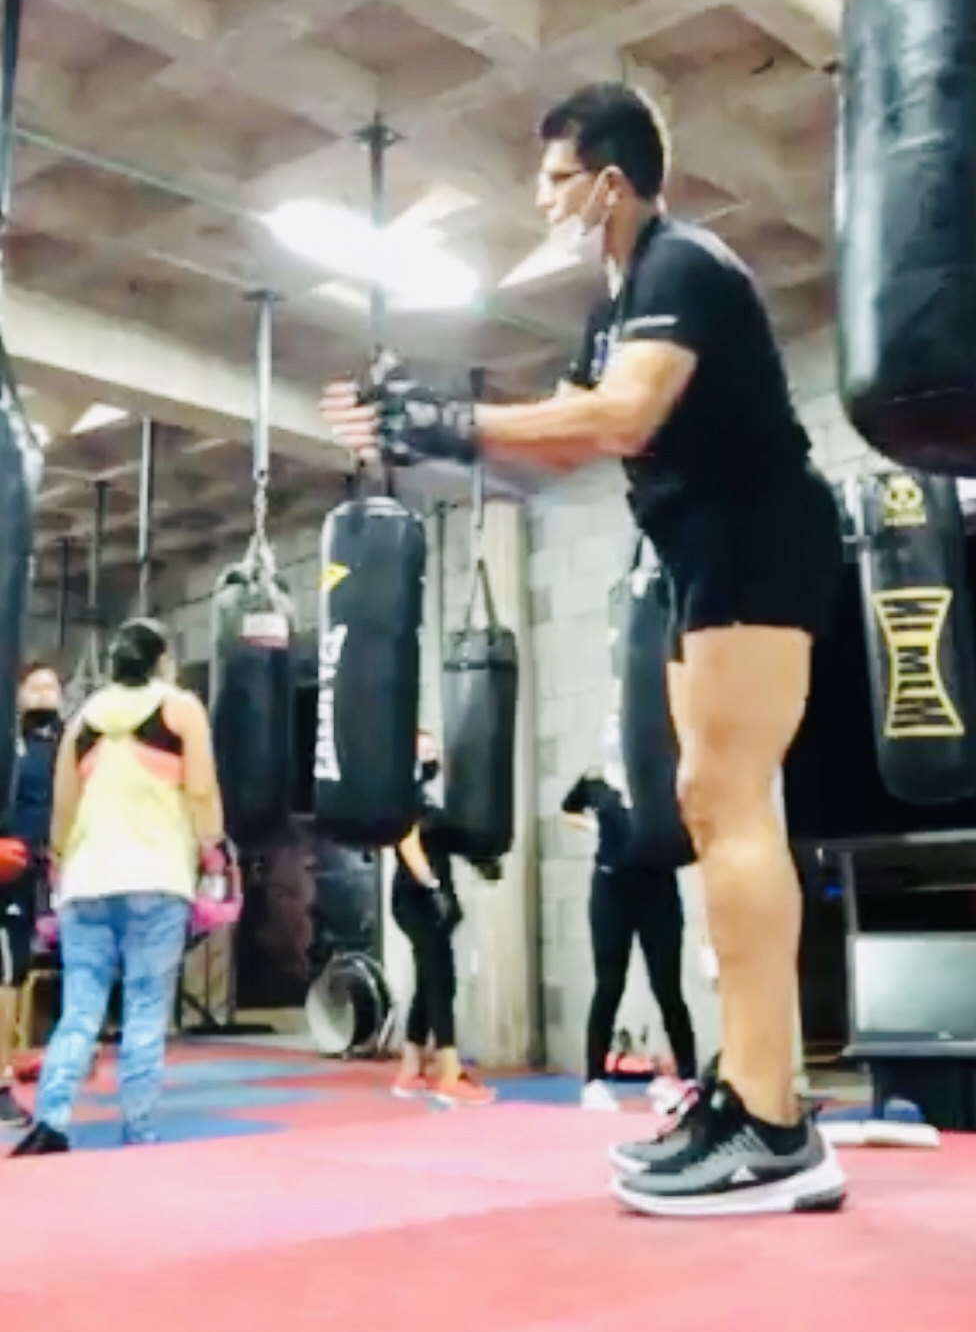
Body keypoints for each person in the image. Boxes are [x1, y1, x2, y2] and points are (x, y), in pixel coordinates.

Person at [321, 82, 846, 1217]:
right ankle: (748, 1091)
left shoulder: (680, 265)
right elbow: (561, 437)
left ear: (610, 182)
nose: (542, 198)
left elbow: (622, 417)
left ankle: (774, 1123)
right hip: (696, 547)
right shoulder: (615, 306)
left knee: (730, 800)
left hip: (757, 531)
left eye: (556, 178)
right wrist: (427, 428)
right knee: (706, 804)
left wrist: (451, 419)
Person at [10, 619, 225, 1157]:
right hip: (156, 877)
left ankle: (51, 1119)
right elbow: (201, 790)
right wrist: (212, 851)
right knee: (145, 1006)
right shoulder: (180, 709)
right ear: (162, 660)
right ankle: (139, 1130)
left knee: (80, 1008)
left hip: (87, 883)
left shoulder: (83, 719)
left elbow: (63, 810)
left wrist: (59, 867)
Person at [562, 772, 696, 1114]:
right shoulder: (595, 783)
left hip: (657, 887)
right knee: (609, 985)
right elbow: (568, 809)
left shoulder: (656, 777)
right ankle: (594, 1080)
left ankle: (688, 1078)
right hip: (611, 888)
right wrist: (592, 828)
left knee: (667, 987)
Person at [391, 732, 495, 1109]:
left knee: (428, 978)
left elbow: (449, 839)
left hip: (437, 898)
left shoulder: (432, 800)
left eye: (434, 749)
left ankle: (410, 1069)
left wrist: (482, 860)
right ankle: (449, 1073)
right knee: (440, 979)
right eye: (424, 749)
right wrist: (431, 884)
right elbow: (407, 843)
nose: (431, 755)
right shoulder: (403, 796)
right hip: (415, 898)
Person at [0, 664, 63, 1126]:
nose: (43, 693)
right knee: (6, 970)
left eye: (51, 686)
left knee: (17, 969)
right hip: (10, 862)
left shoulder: (67, 743)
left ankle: (16, 1058)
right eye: (34, 685)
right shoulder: (12, 747)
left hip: (39, 866)